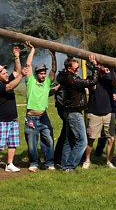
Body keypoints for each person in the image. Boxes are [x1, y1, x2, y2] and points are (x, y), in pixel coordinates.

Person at [57, 55, 99, 172]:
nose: (78, 70)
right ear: (68, 68)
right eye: (75, 69)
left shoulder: (63, 76)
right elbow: (92, 81)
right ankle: (69, 166)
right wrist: (95, 67)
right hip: (74, 113)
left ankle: (64, 164)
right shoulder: (72, 80)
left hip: (69, 111)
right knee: (82, 141)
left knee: (69, 140)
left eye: (78, 68)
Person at [23, 41, 57, 172]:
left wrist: (53, 56)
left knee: (48, 140)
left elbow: (54, 70)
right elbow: (28, 65)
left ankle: (49, 163)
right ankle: (34, 163)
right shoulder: (30, 81)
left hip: (44, 117)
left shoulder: (48, 82)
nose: (43, 75)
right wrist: (32, 50)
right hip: (31, 117)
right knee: (32, 143)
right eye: (41, 73)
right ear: (36, 74)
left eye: (44, 73)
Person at [83, 60, 116, 169]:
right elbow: (92, 85)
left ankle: (109, 162)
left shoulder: (109, 78)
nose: (105, 68)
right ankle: (87, 160)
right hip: (94, 113)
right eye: (104, 66)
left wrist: (111, 70)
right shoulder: (92, 78)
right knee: (91, 139)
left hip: (108, 112)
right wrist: (96, 67)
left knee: (111, 139)